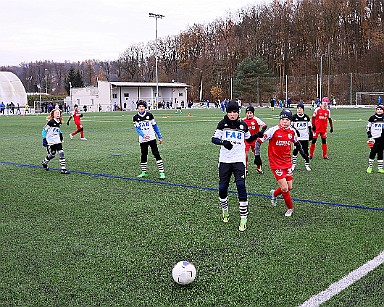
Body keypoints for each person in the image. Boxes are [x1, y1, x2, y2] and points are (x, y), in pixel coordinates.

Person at [211, 100, 261, 231]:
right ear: (227, 113)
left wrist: (258, 135)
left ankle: (243, 218)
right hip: (225, 160)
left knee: (240, 186)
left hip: (239, 160)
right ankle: (225, 211)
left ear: (238, 113)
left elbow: (249, 139)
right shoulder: (222, 124)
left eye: (234, 112)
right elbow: (214, 139)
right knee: (222, 188)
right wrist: (223, 142)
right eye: (230, 112)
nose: (232, 114)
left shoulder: (243, 125)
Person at [254, 109, 307, 217]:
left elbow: (297, 143)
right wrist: (257, 157)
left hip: (287, 162)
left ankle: (274, 193)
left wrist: (303, 154)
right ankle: (290, 208)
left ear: (290, 121)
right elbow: (258, 142)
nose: (284, 122)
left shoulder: (292, 132)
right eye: (283, 119)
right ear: (280, 120)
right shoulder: (273, 131)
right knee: (284, 188)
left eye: (287, 119)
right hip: (275, 163)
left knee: (289, 187)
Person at [133, 100, 165, 179]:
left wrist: (159, 136)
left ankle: (162, 172)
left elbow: (155, 126)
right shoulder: (135, 117)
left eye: (143, 106)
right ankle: (143, 172)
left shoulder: (150, 115)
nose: (141, 108)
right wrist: (143, 135)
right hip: (143, 139)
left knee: (156, 154)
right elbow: (137, 129)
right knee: (144, 154)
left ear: (145, 107)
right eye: (140, 106)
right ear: (137, 108)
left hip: (151, 138)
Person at [41, 109, 69, 174]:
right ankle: (44, 162)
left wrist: (61, 136)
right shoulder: (50, 122)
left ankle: (63, 169)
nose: (58, 114)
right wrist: (44, 139)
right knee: (52, 154)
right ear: (53, 114)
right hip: (50, 141)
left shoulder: (59, 122)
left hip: (57, 140)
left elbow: (58, 130)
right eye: (56, 113)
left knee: (61, 153)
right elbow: (44, 130)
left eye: (59, 113)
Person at [242, 105, 267, 175]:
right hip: (246, 140)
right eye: (247, 113)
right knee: (245, 155)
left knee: (256, 154)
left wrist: (261, 132)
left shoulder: (256, 119)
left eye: (250, 113)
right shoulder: (243, 120)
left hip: (255, 140)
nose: (249, 114)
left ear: (253, 113)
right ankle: (245, 169)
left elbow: (264, 125)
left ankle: (259, 168)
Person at [291, 103, 312, 171]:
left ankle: (307, 165)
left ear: (303, 110)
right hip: (297, 138)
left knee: (306, 151)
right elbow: (291, 126)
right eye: (298, 108)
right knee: (295, 151)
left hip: (305, 137)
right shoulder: (294, 117)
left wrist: (311, 134)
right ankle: (293, 165)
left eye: (300, 109)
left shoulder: (306, 117)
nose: (299, 110)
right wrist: (295, 131)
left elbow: (309, 126)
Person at [366, 105, 384, 173]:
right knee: (373, 152)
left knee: (380, 153)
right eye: (378, 109)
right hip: (374, 139)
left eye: (381, 109)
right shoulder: (372, 118)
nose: (379, 110)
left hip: (382, 139)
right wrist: (370, 136)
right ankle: (370, 167)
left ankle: (380, 168)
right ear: (376, 110)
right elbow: (368, 127)